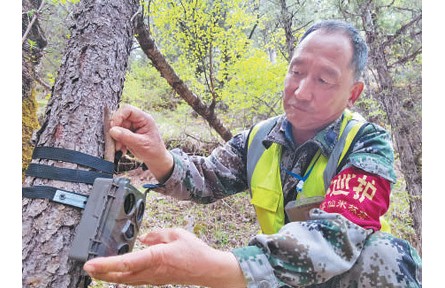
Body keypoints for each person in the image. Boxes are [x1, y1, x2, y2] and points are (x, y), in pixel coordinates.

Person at [83, 20, 422, 287]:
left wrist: (215, 268)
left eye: (324, 80)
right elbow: (208, 177)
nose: (301, 92)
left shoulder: (365, 143)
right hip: (279, 278)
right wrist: (157, 155)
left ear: (353, 93)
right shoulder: (261, 137)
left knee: (386, 255)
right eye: (297, 71)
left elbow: (336, 237)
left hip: (343, 281)